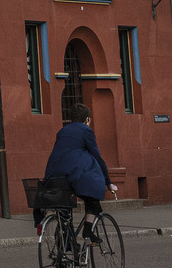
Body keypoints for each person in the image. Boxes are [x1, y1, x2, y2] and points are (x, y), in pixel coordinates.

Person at [33, 98, 116, 235]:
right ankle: (88, 232)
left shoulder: (62, 131)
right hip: (74, 176)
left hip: (54, 176)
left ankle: (64, 246)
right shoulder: (86, 131)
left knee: (64, 209)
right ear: (87, 119)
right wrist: (108, 182)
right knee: (93, 202)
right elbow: (97, 156)